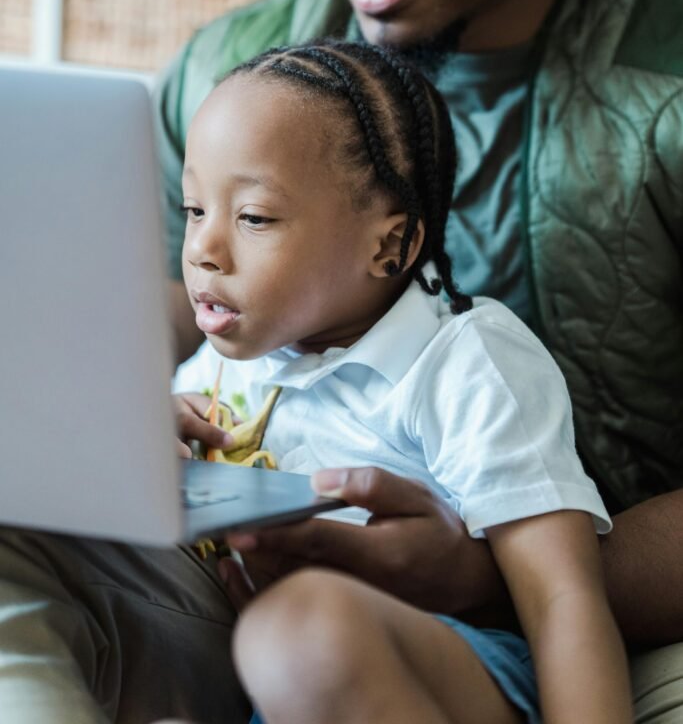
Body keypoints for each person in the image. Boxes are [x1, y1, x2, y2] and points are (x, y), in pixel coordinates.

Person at [0, 0, 680, 721]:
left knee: (311, 638)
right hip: (252, 588)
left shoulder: (660, 94)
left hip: (608, 616)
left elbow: (554, 589)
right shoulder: (240, 69)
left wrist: (475, 568)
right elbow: (159, 311)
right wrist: (107, 429)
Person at [174, 38, 631, 724]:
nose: (203, 251)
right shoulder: (220, 363)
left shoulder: (465, 361)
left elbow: (562, 597)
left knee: (299, 630)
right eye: (193, 210)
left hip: (448, 665)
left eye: (254, 217)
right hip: (254, 684)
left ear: (388, 246)